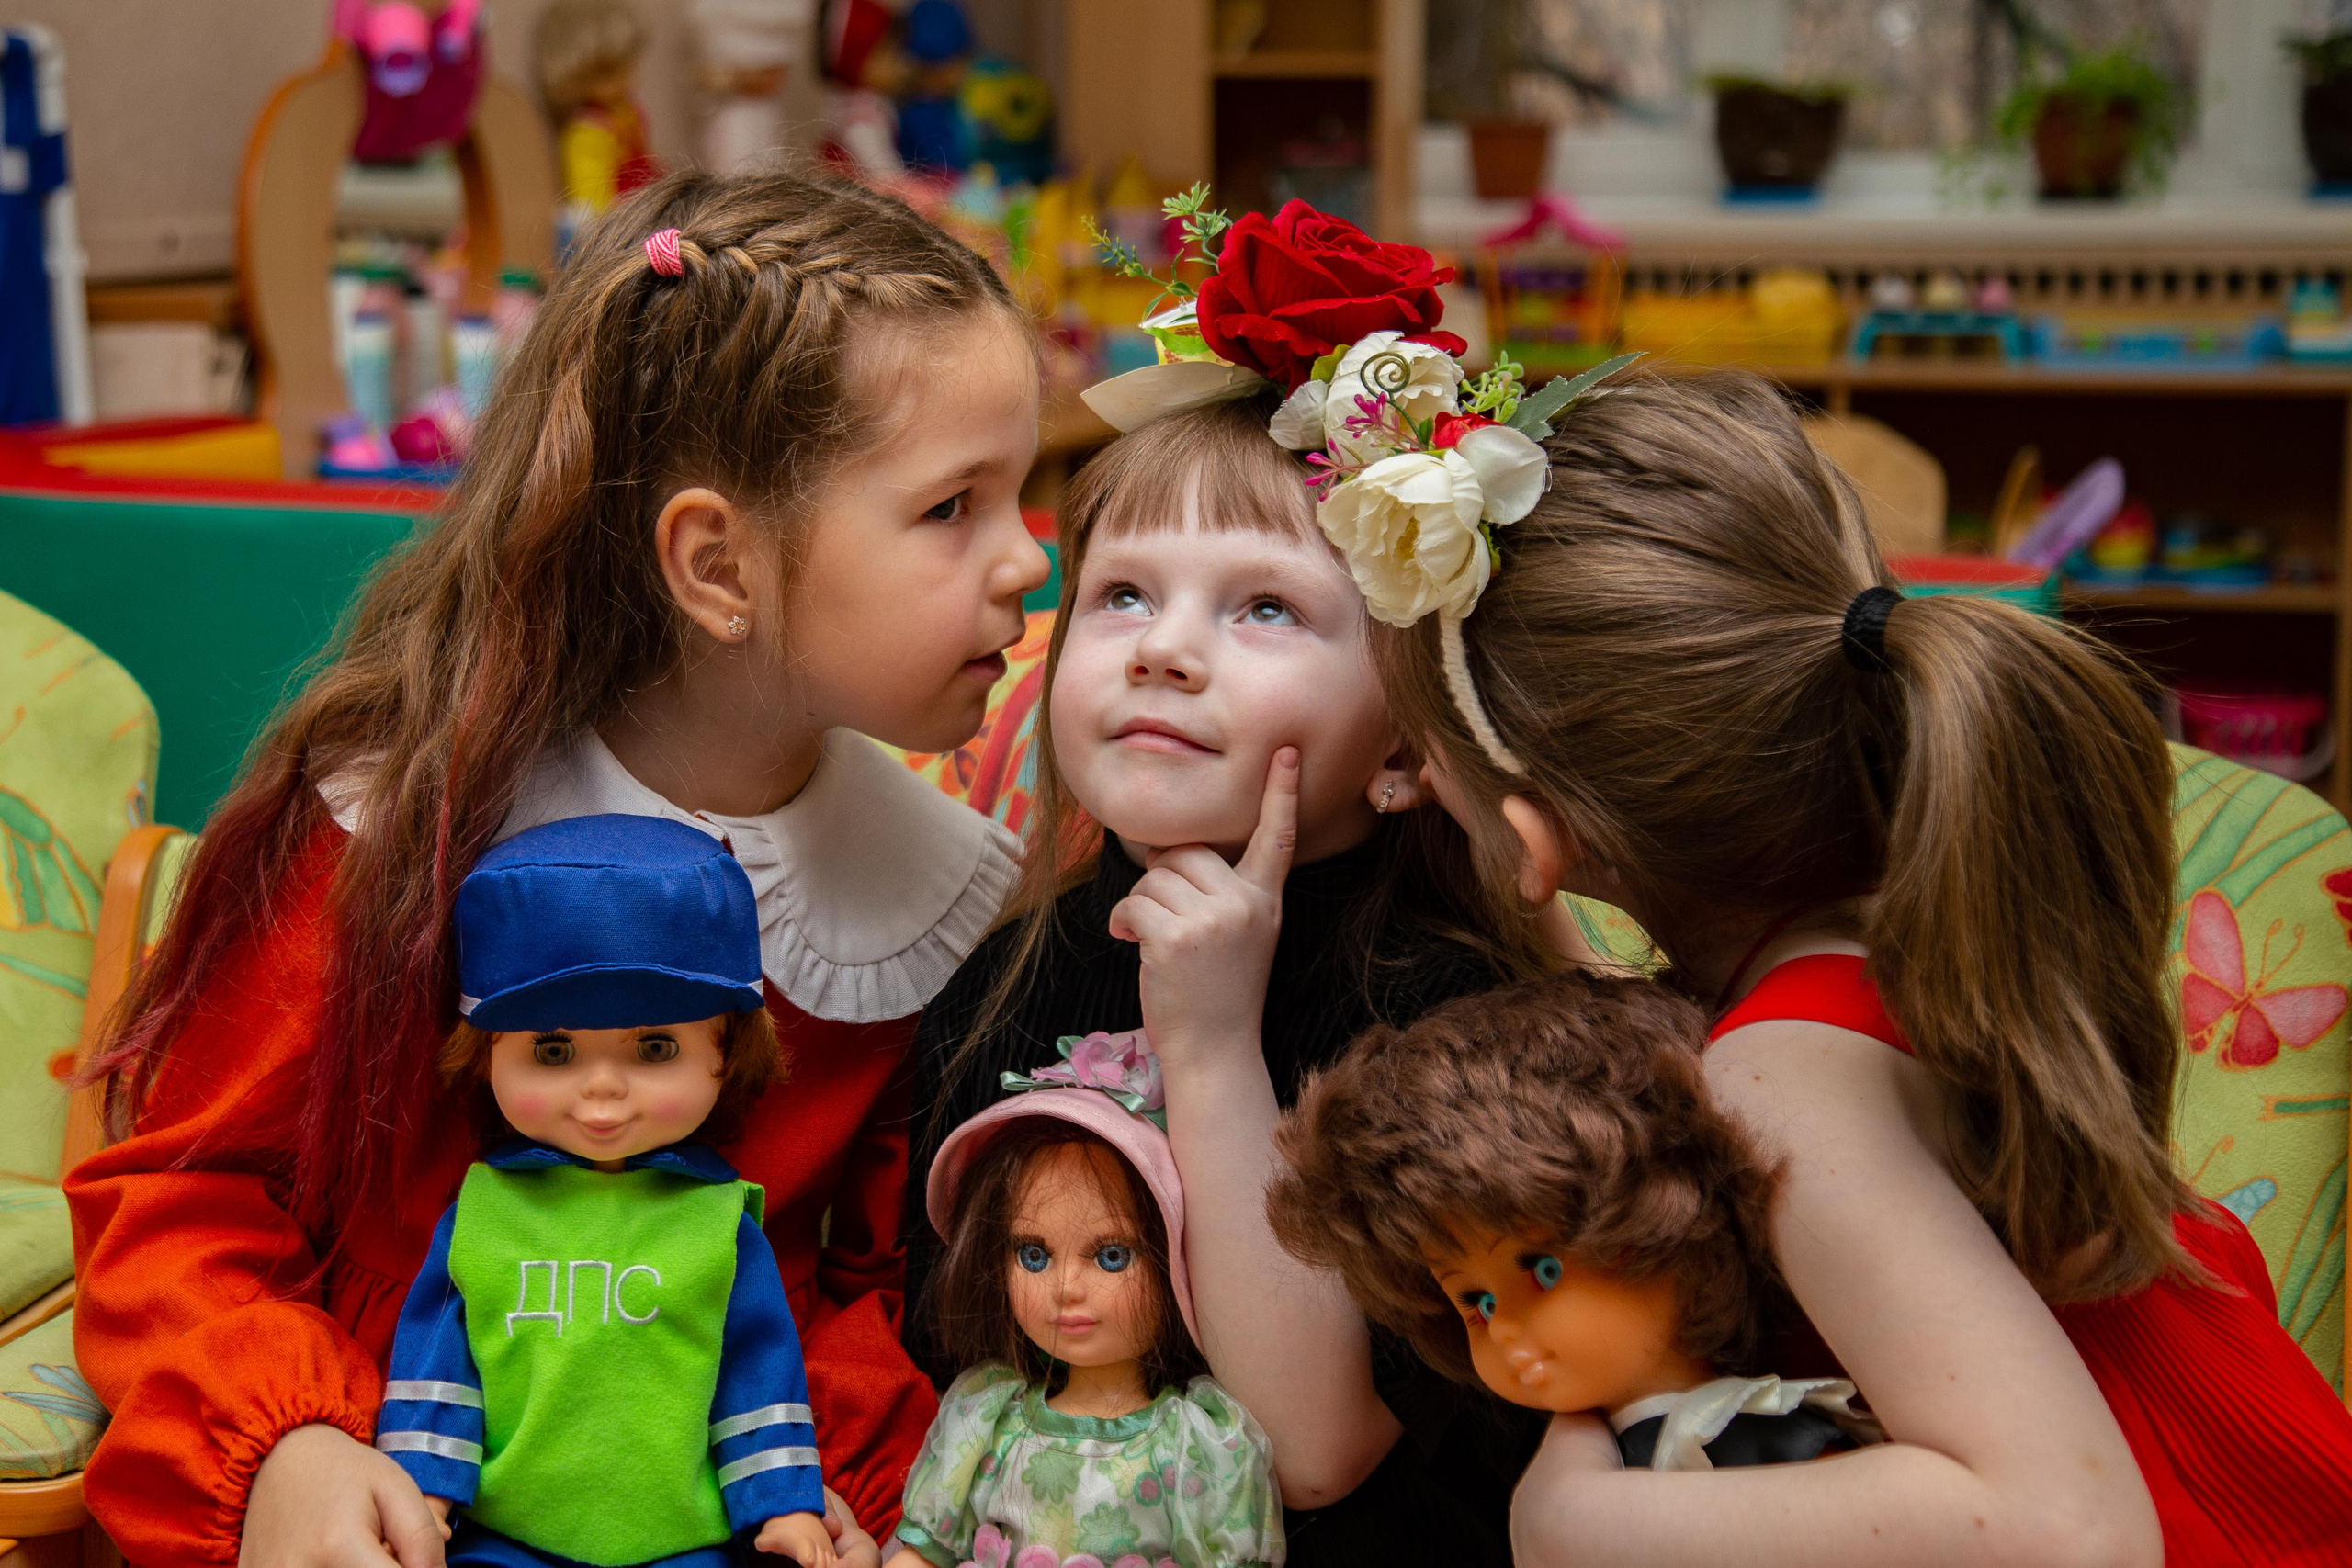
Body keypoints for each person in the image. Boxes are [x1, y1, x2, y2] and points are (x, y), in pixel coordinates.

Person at [70, 170, 1049, 1568]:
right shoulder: (393, 831)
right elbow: (184, 1196)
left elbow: (871, 1288)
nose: (1026, 560)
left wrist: (843, 1488)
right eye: (954, 505)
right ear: (718, 566)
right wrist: (281, 1445)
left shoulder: (938, 900)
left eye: (1019, 494)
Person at [1328, 366, 2352, 1565]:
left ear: (1539, 838)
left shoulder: (1783, 1076)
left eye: (1423, 758)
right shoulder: (1921, 904)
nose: (1411, 784)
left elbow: (2065, 1528)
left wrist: (1583, 1523)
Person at [906, 381, 1556, 1564]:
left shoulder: (1459, 1029)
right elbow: (960, 1370)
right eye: (1122, 595)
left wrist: (1209, 1047)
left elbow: (1311, 1453)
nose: (1162, 649)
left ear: (1407, 737)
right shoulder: (1003, 978)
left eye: (1265, 607)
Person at [379, 814, 832, 1568]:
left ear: (726, 1049)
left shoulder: (717, 1223)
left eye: (655, 1047)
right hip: (504, 1535)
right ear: (484, 1055)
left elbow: (758, 1371)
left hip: (682, 1539)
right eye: (552, 1050)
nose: (602, 1089)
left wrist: (782, 1503)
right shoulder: (484, 1213)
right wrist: (424, 1486)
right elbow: (441, 1364)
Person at [1271, 968, 1881, 1475]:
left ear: (1661, 1219)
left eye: (1543, 1270)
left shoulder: (1745, 1435)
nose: (1505, 1331)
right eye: (1477, 1303)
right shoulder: (1600, 1455)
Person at [888, 1033, 1283, 1568]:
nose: (1066, 1287)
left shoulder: (1197, 1445)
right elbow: (922, 1555)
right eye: (1033, 1255)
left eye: (1111, 1256)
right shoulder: (986, 1419)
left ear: (1176, 1264)